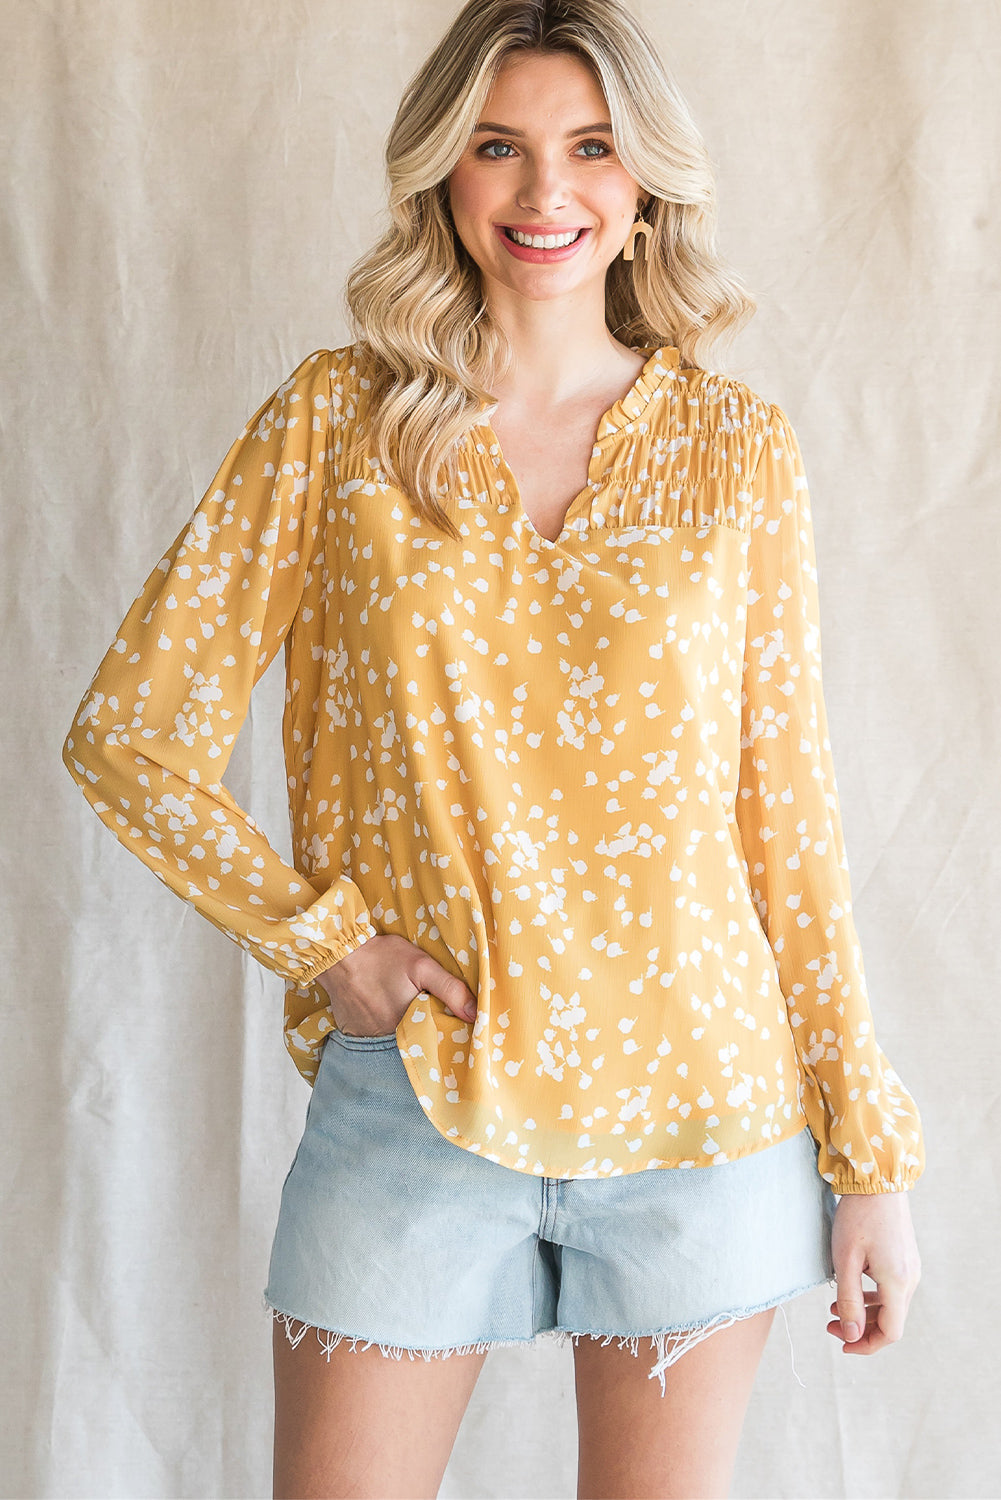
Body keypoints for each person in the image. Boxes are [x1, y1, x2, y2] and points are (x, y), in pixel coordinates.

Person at [61, 1, 925, 1495]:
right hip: (416, 1099)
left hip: (699, 1114)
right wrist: (325, 945)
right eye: (498, 147)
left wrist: (870, 1164)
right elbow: (128, 738)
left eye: (589, 148)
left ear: (646, 182)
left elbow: (787, 821)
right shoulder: (336, 427)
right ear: (440, 173)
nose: (545, 193)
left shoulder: (735, 450)